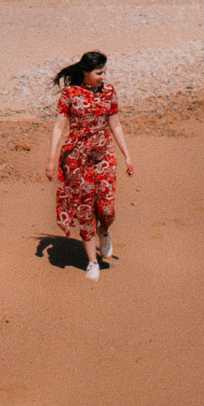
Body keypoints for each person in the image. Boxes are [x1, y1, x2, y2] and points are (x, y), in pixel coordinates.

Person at [45, 49, 134, 280]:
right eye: (99, 72)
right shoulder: (70, 94)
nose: (103, 76)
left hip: (104, 156)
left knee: (107, 208)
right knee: (85, 209)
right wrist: (51, 160)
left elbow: (115, 124)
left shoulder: (109, 91)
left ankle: (104, 232)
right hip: (77, 159)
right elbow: (58, 127)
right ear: (85, 72)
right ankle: (92, 262)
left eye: (104, 72)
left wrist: (127, 155)